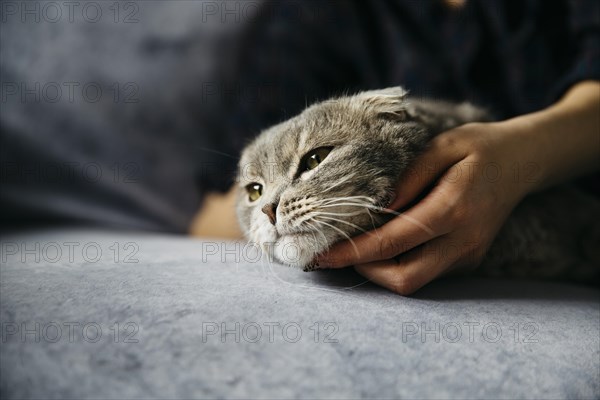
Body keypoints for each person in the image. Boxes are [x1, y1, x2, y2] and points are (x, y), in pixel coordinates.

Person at [194, 0, 600, 294]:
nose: (271, 204)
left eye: (313, 159)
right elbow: (214, 219)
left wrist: (517, 159)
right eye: (259, 194)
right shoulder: (310, 16)